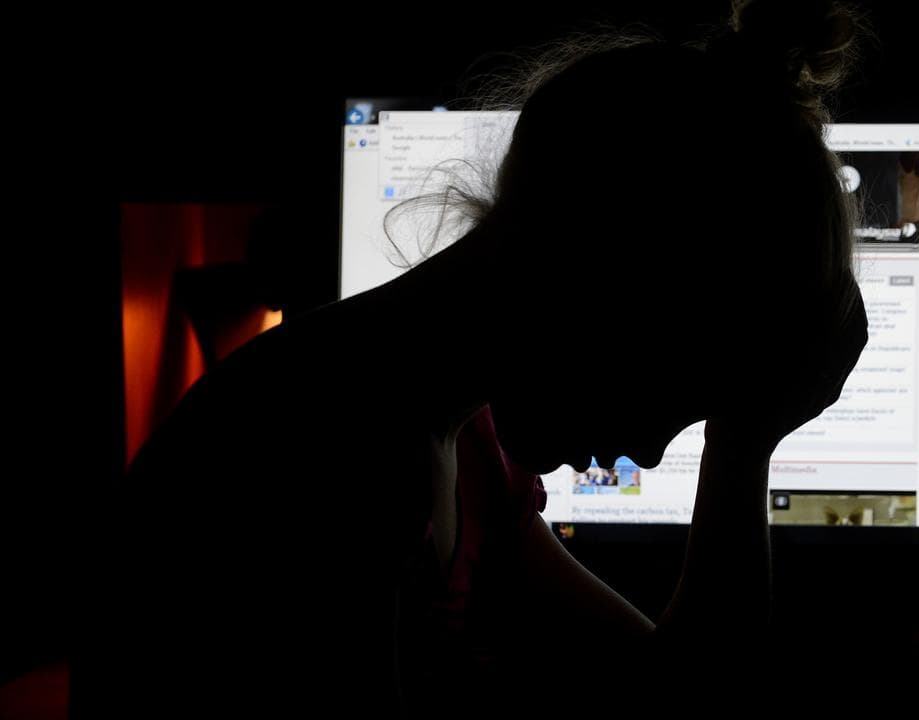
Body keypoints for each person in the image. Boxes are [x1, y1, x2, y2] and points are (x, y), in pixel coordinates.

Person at [98, 0, 869, 716]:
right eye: (672, 394)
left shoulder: (465, 448)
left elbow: (681, 695)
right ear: (606, 281)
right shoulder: (327, 460)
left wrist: (745, 440)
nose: (647, 449)